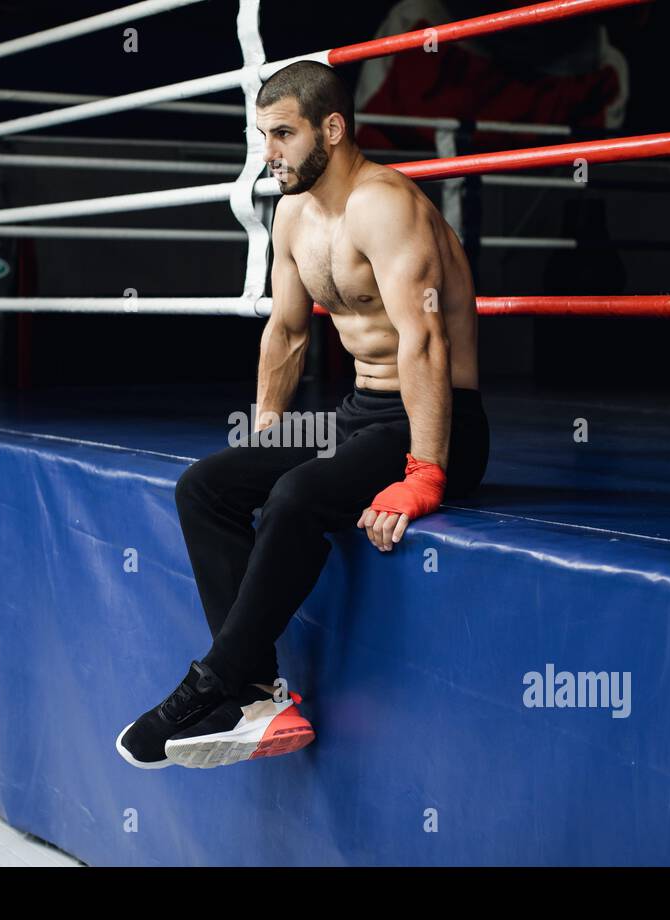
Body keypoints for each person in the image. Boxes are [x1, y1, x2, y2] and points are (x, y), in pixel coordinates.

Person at [117, 61, 490, 771]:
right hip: (358, 415)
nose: (270, 153)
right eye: (263, 136)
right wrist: (269, 434)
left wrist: (426, 473)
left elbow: (425, 339)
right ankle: (255, 692)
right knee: (208, 485)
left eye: (283, 134)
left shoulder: (384, 205)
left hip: (438, 423)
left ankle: (212, 685)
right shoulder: (294, 213)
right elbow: (287, 333)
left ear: (333, 128)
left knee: (296, 498)